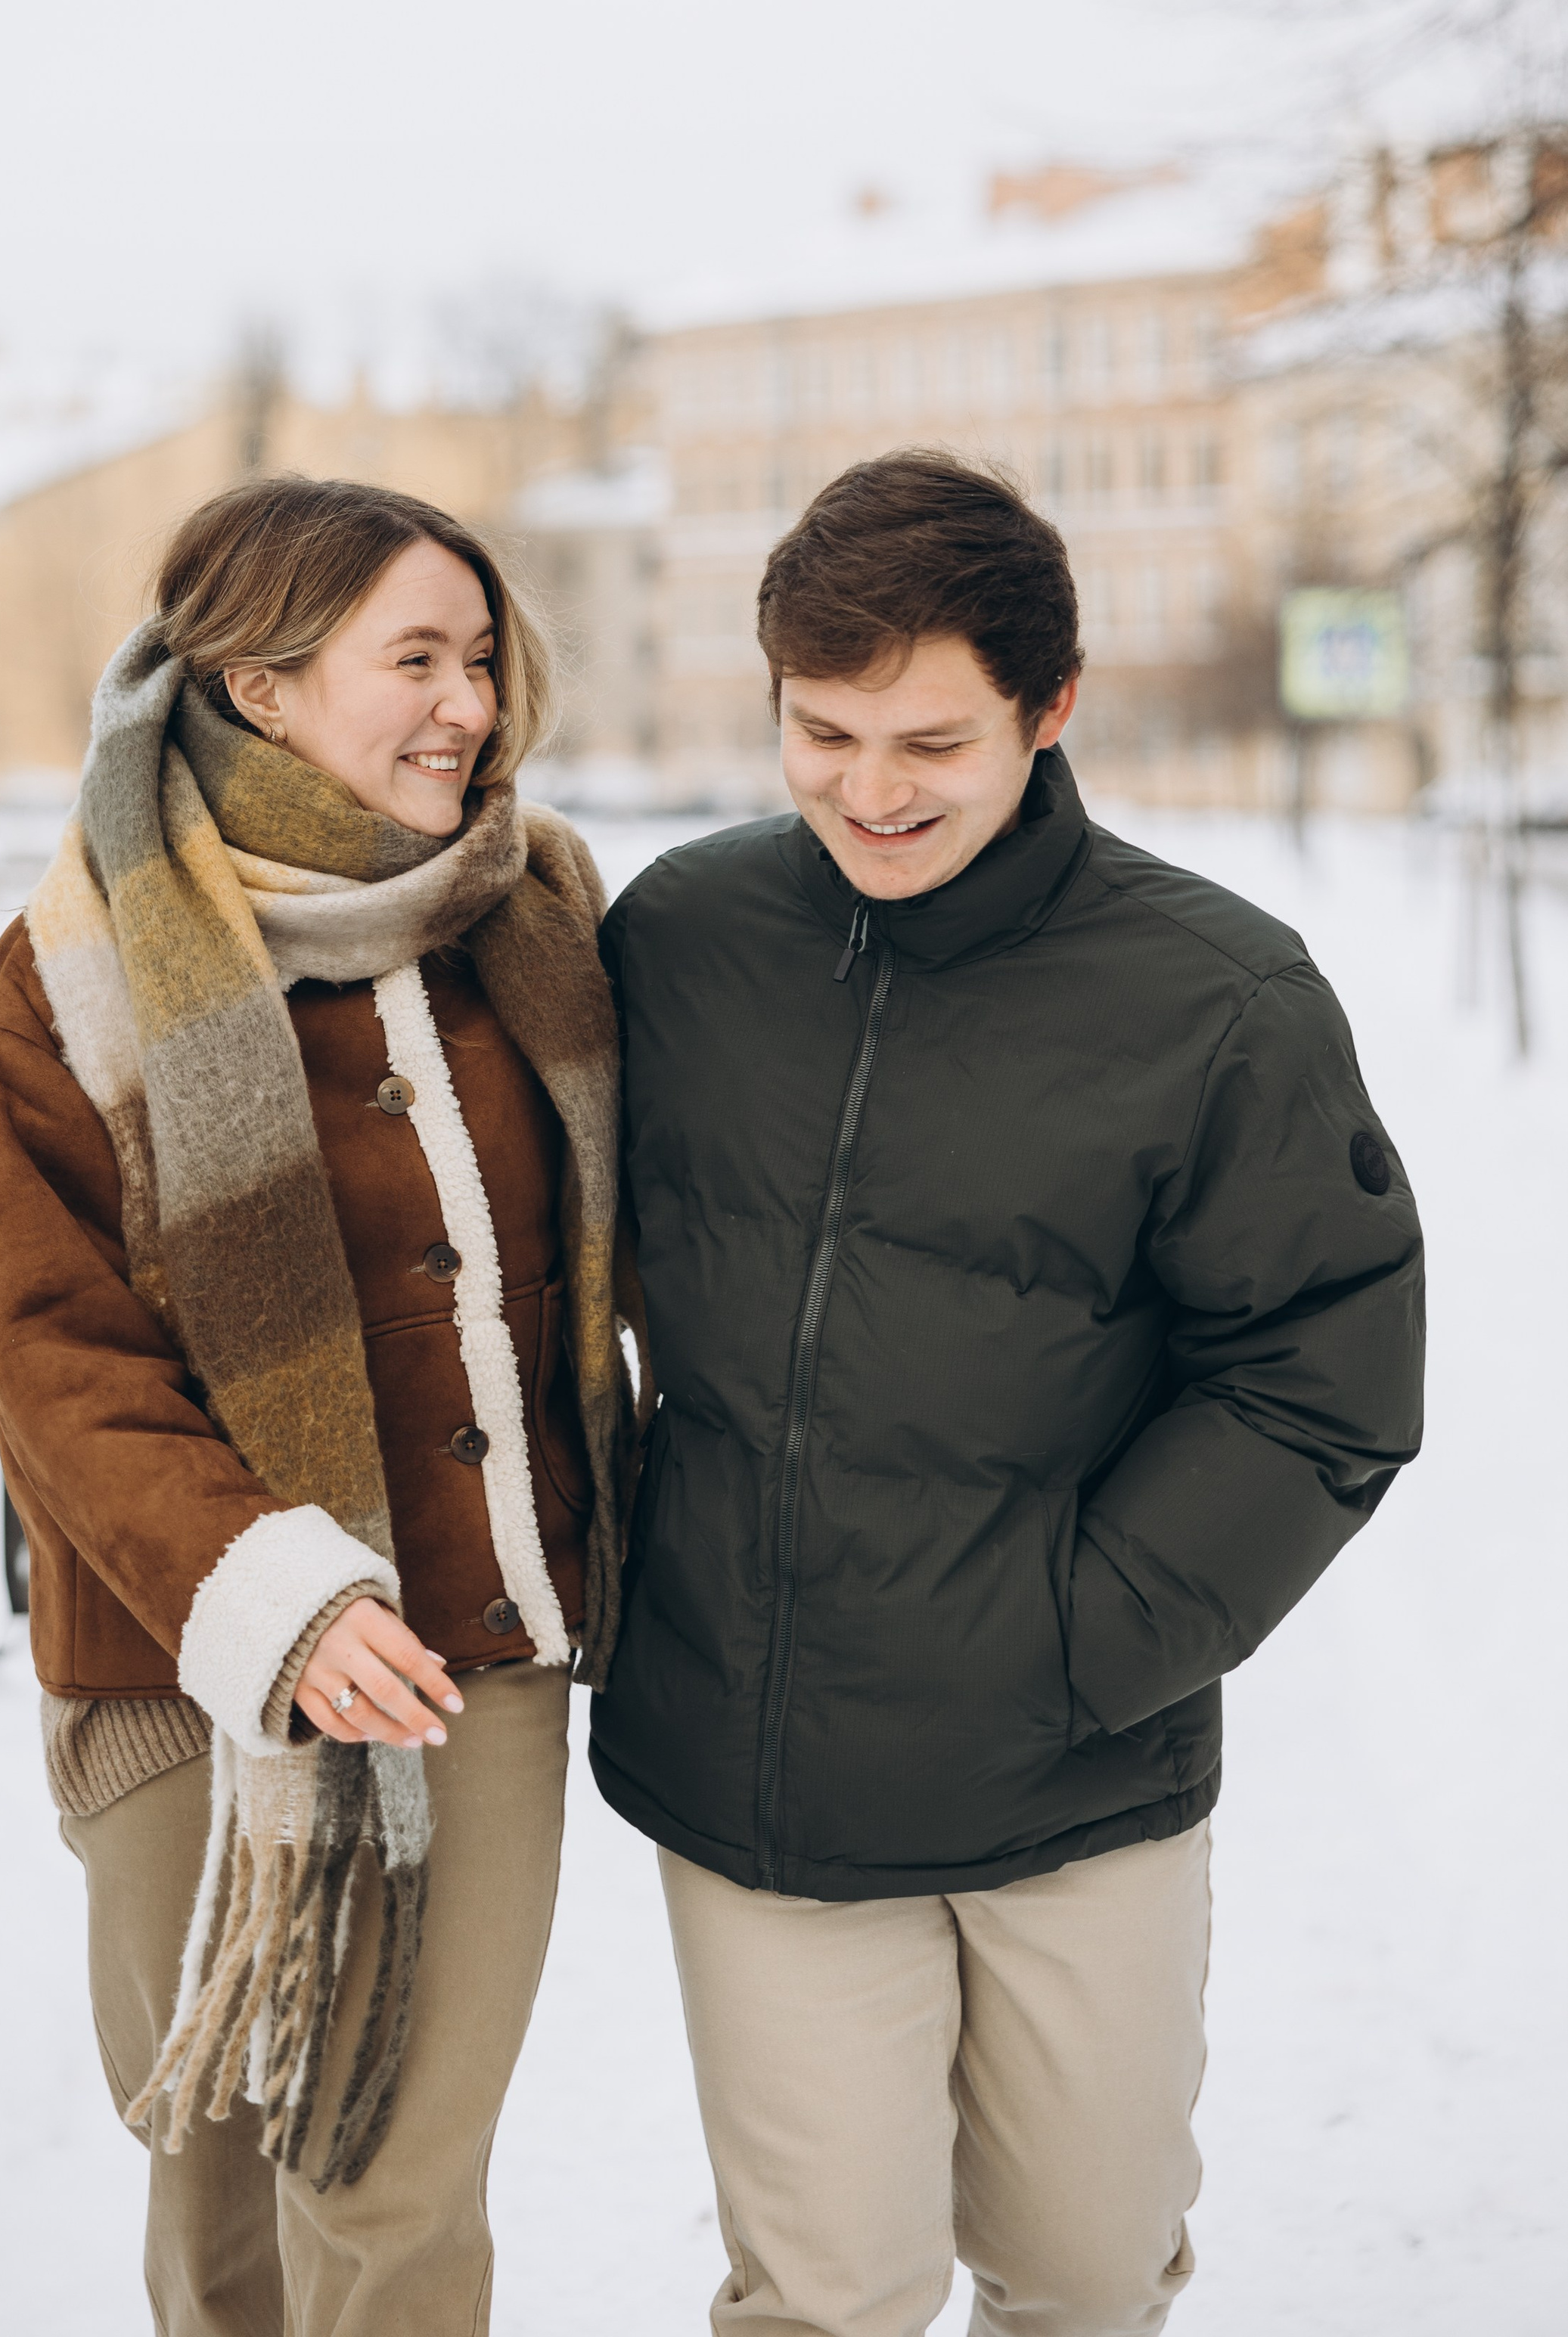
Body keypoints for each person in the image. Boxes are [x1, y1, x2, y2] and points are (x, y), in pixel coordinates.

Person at [591, 448, 1425, 2337]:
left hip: (1075, 1772)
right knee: (822, 2296)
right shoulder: (678, 939)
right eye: (821, 733)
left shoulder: (1213, 997)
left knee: (1079, 2272)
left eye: (929, 743)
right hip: (762, 1763)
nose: (867, 793)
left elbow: (1324, 1374)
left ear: (1047, 714)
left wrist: (1077, 1641)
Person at [0, 473, 637, 2337]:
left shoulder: (537, 915)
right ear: (259, 685)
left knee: (401, 2195)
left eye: (480, 658)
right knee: (224, 2192)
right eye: (411, 659)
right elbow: (50, 1346)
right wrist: (272, 1587)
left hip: (470, 1655)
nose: (467, 706)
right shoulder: (71, 969)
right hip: (187, 1673)